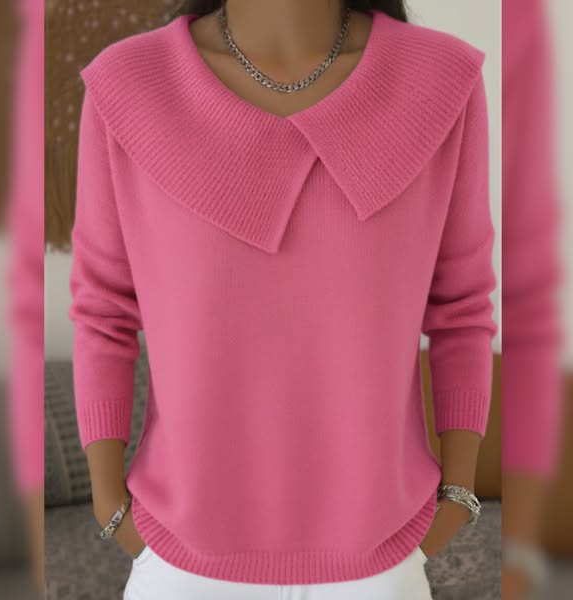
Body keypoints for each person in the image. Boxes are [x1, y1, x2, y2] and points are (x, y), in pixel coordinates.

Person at [68, 1, 498, 598]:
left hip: (379, 566)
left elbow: (462, 308)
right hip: (183, 565)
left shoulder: (441, 83)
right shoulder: (129, 86)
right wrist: (110, 504)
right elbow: (102, 312)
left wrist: (457, 494)